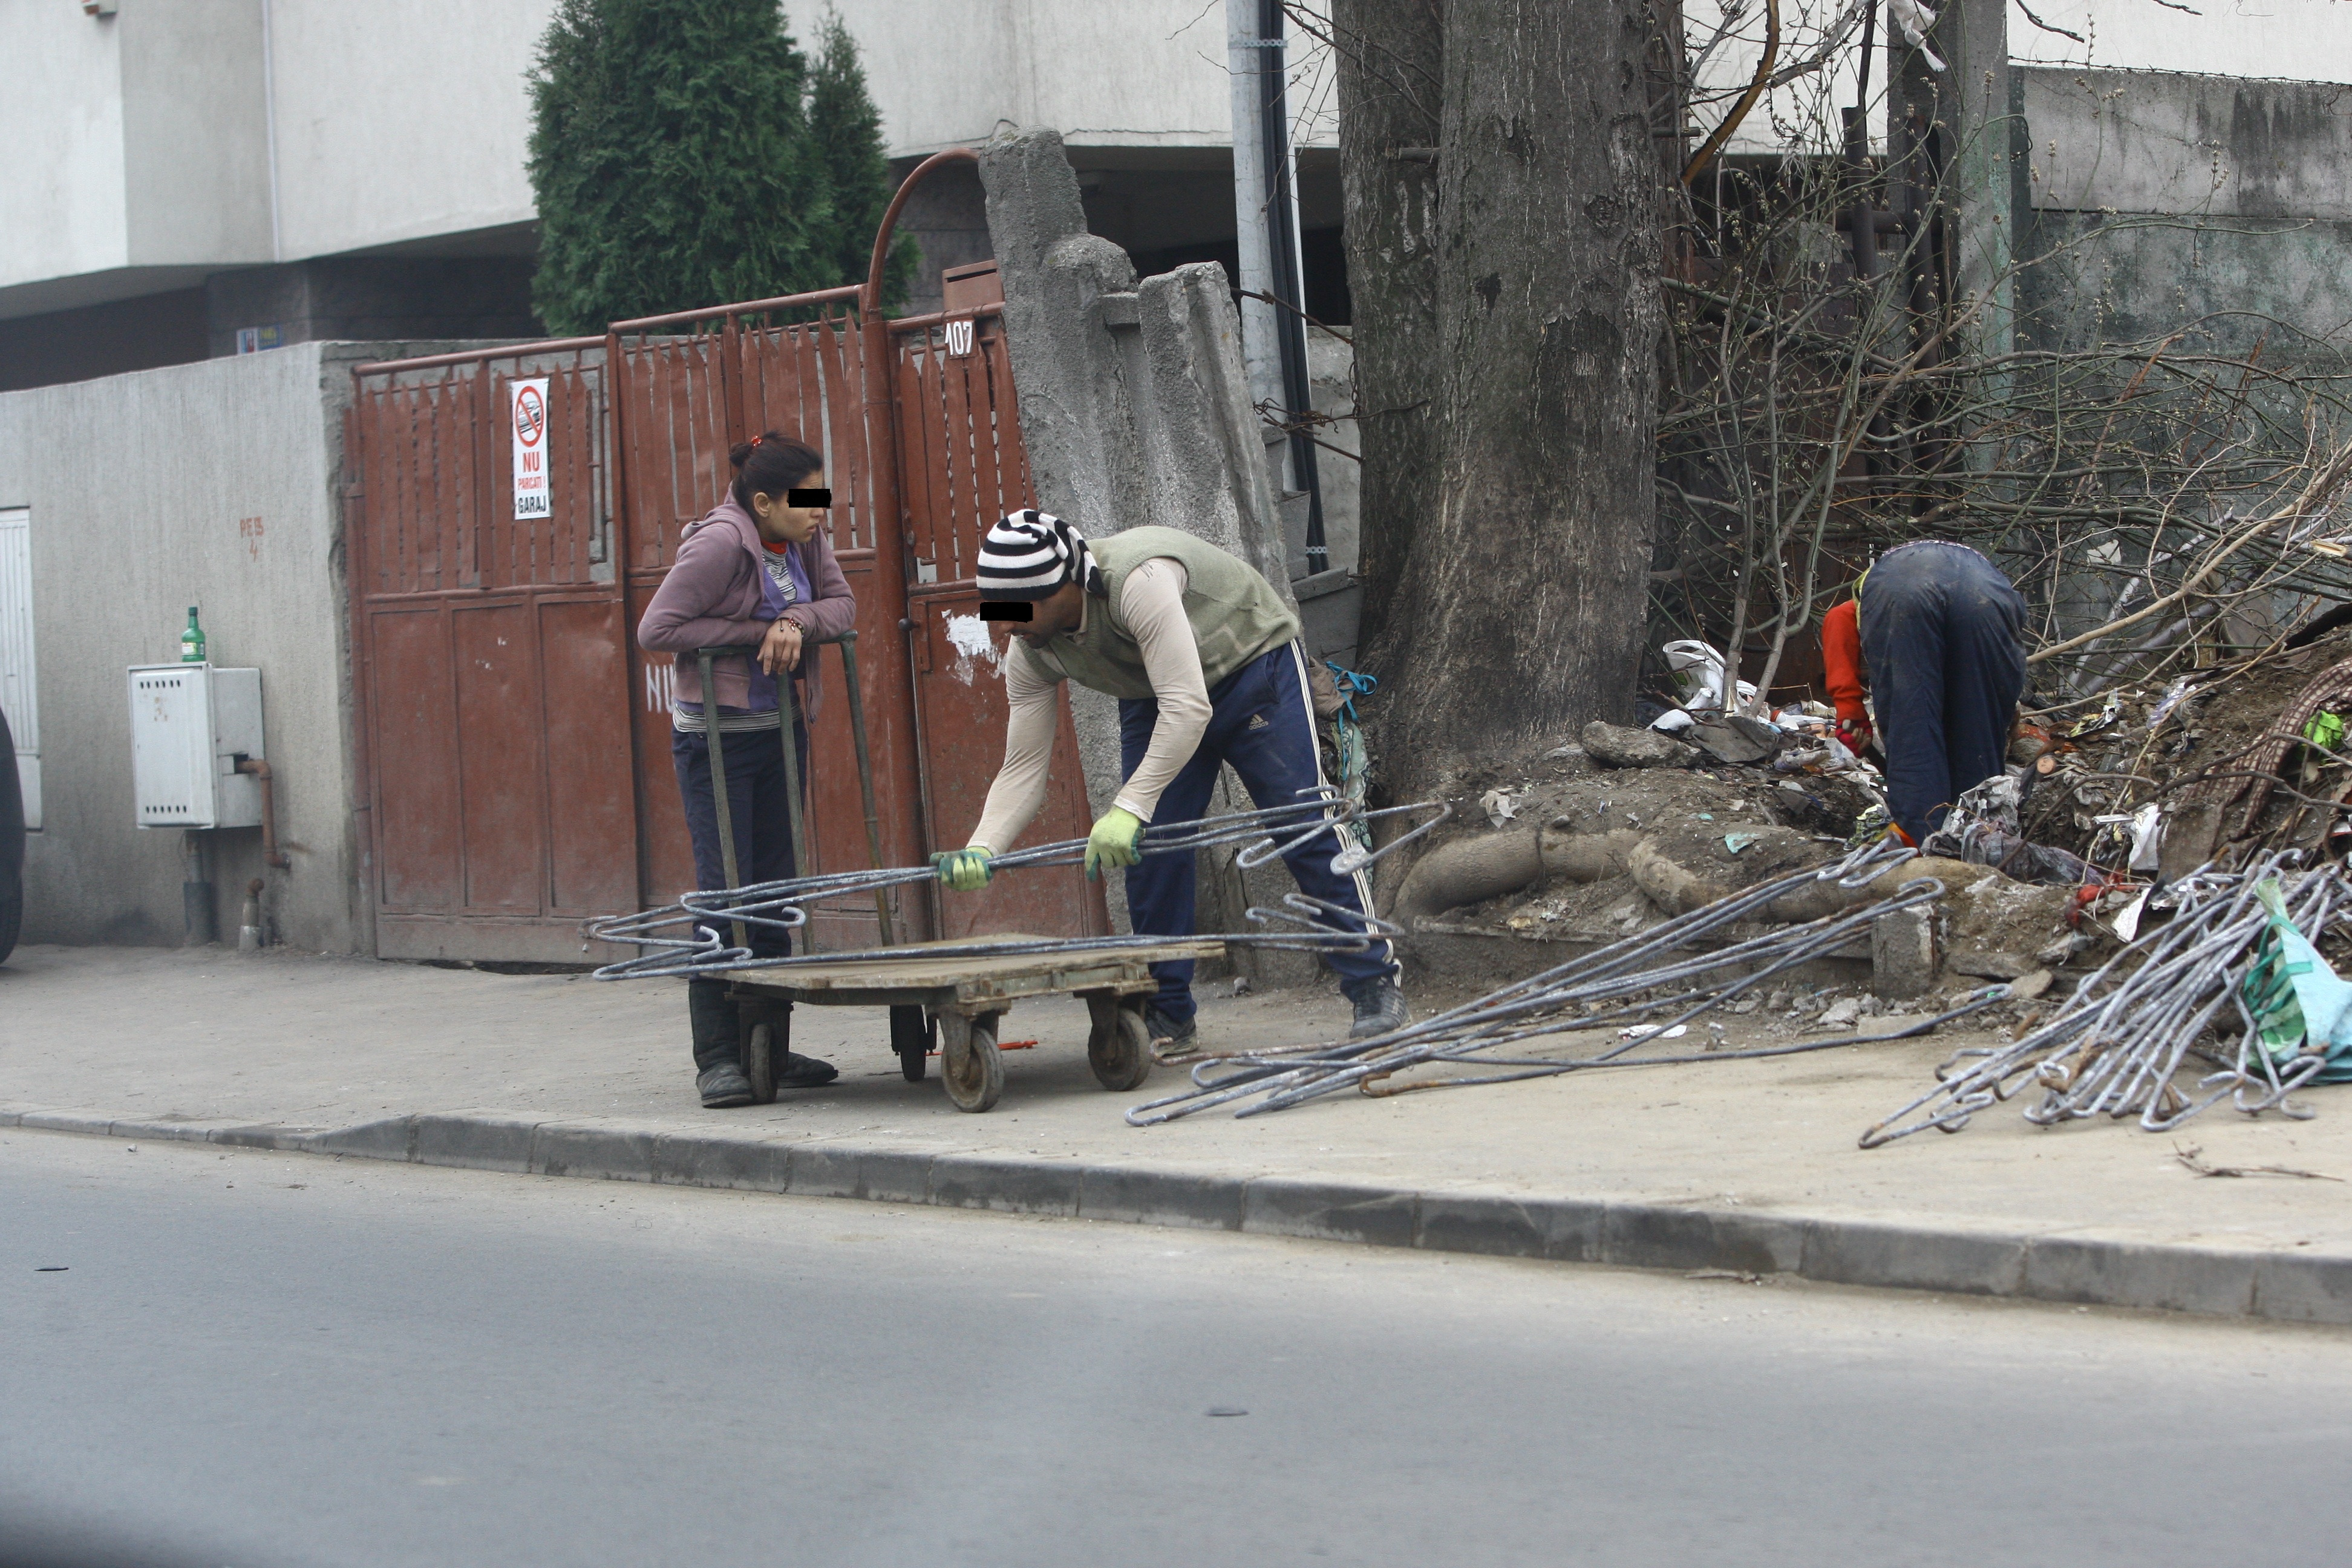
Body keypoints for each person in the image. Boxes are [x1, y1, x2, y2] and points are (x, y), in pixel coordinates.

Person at [932, 509, 1408, 1045]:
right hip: (1156, 694)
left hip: (1252, 666)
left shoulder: (1139, 582)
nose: (1006, 625)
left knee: (1302, 823)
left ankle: (1374, 985)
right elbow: (1022, 766)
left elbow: (1188, 708)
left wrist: (1129, 806)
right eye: (997, 611)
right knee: (1151, 849)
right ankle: (1170, 1012)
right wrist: (984, 847)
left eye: (1019, 608)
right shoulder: (1031, 650)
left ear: (1066, 588)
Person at [638, 432, 856, 1108]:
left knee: (775, 884)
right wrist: (756, 632)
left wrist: (793, 617)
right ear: (763, 502)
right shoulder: (719, 544)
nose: (821, 510)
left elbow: (844, 607)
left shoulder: (806, 541)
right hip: (716, 744)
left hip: (781, 733)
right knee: (724, 888)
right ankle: (717, 1058)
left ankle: (772, 1043)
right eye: (807, 498)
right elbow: (657, 630)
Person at [1820, 540, 2027, 845]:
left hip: (1902, 594)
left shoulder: (1872, 587)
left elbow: (1838, 619)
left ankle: (1919, 841)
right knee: (1979, 729)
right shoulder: (1980, 570)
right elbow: (1999, 683)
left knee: (1913, 722)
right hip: (1985, 595)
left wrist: (1849, 707)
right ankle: (1981, 838)